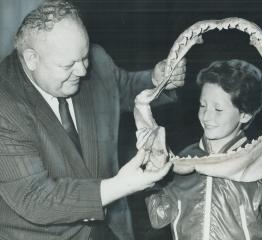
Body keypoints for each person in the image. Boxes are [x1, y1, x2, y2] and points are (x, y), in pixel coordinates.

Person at [0, 0, 186, 240]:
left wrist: (158, 80)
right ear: (32, 59)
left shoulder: (95, 60)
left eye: (84, 57)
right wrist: (123, 185)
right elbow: (35, 197)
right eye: (68, 65)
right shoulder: (4, 104)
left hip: (109, 227)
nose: (82, 71)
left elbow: (121, 87)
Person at [146, 59, 262, 240]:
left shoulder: (259, 164)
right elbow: (158, 218)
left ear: (245, 114)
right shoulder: (183, 160)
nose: (206, 116)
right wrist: (152, 177)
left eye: (218, 109)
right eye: (203, 105)